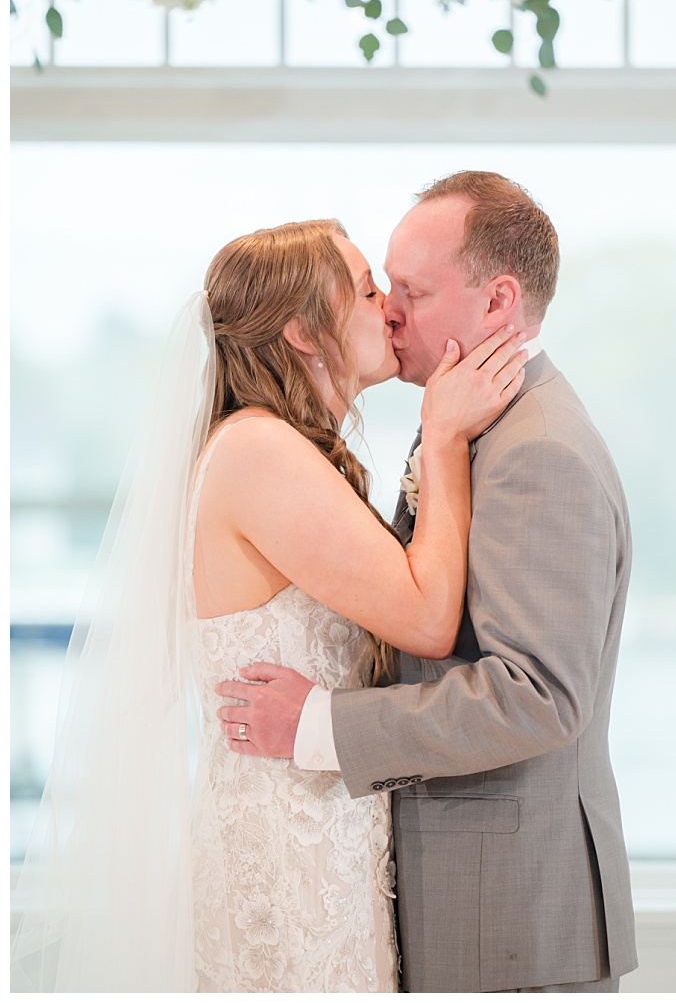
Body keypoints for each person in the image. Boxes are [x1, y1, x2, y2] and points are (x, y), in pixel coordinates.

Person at [12, 219, 529, 991]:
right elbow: (424, 617)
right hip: (292, 854)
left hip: (321, 829)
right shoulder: (259, 451)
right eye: (364, 290)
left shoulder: (274, 446)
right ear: (301, 332)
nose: (388, 307)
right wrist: (445, 438)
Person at [215, 172, 638, 993]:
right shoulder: (468, 423)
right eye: (382, 286)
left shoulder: (536, 451)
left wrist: (321, 726)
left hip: (507, 910)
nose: (391, 311)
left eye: (409, 289)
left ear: (496, 302)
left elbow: (540, 694)